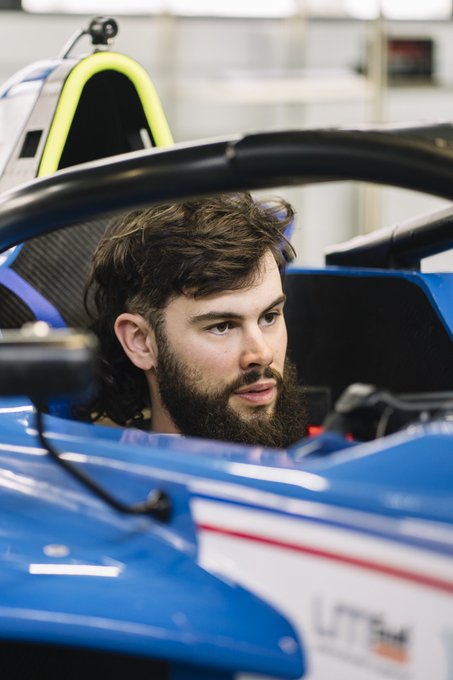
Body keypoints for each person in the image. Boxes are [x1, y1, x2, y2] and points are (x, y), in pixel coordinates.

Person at [84, 192, 308, 448]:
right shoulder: (89, 471)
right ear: (141, 342)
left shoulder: (326, 454)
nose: (263, 354)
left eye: (269, 317)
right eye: (222, 327)